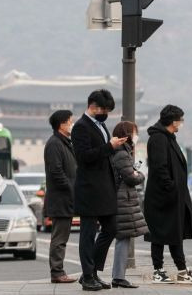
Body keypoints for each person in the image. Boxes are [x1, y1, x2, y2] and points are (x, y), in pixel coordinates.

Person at [72, 89, 128, 291]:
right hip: (89, 189)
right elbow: (84, 157)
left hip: (104, 188)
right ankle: (88, 276)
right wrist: (109, 146)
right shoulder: (80, 127)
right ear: (93, 106)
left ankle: (92, 271)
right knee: (87, 233)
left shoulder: (101, 125)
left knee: (111, 228)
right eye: (104, 109)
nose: (106, 113)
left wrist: (114, 145)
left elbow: (104, 153)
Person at [144, 105, 192, 284]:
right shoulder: (159, 138)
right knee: (159, 235)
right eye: (180, 120)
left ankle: (182, 270)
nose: (181, 123)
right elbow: (160, 167)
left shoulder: (169, 137)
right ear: (173, 121)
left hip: (172, 196)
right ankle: (158, 270)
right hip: (162, 197)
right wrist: (171, 187)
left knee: (175, 234)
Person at [110, 121, 149, 289]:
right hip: (123, 200)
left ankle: (118, 275)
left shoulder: (122, 153)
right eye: (134, 132)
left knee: (123, 237)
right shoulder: (122, 154)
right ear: (126, 135)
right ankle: (118, 276)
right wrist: (140, 174)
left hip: (123, 198)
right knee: (122, 238)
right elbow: (131, 178)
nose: (136, 136)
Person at [44, 110, 78, 283]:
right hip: (60, 198)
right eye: (70, 121)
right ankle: (57, 272)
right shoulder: (54, 144)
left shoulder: (65, 143)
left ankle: (58, 271)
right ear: (62, 124)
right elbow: (56, 171)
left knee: (62, 237)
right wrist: (71, 188)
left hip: (66, 198)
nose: (72, 124)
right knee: (59, 238)